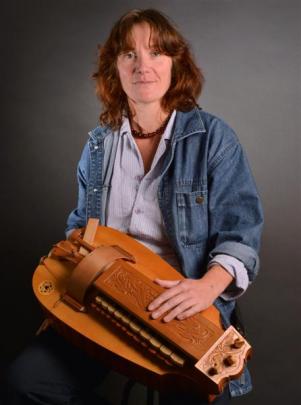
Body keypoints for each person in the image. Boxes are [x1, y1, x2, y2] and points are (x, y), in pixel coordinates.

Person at [2, 8, 263, 405]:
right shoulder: (98, 145)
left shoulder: (213, 138)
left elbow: (241, 234)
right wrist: (75, 247)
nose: (143, 66)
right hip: (105, 296)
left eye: (156, 52)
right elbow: (82, 224)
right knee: (26, 382)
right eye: (129, 55)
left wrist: (205, 289)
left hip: (182, 303)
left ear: (176, 63)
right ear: (114, 69)